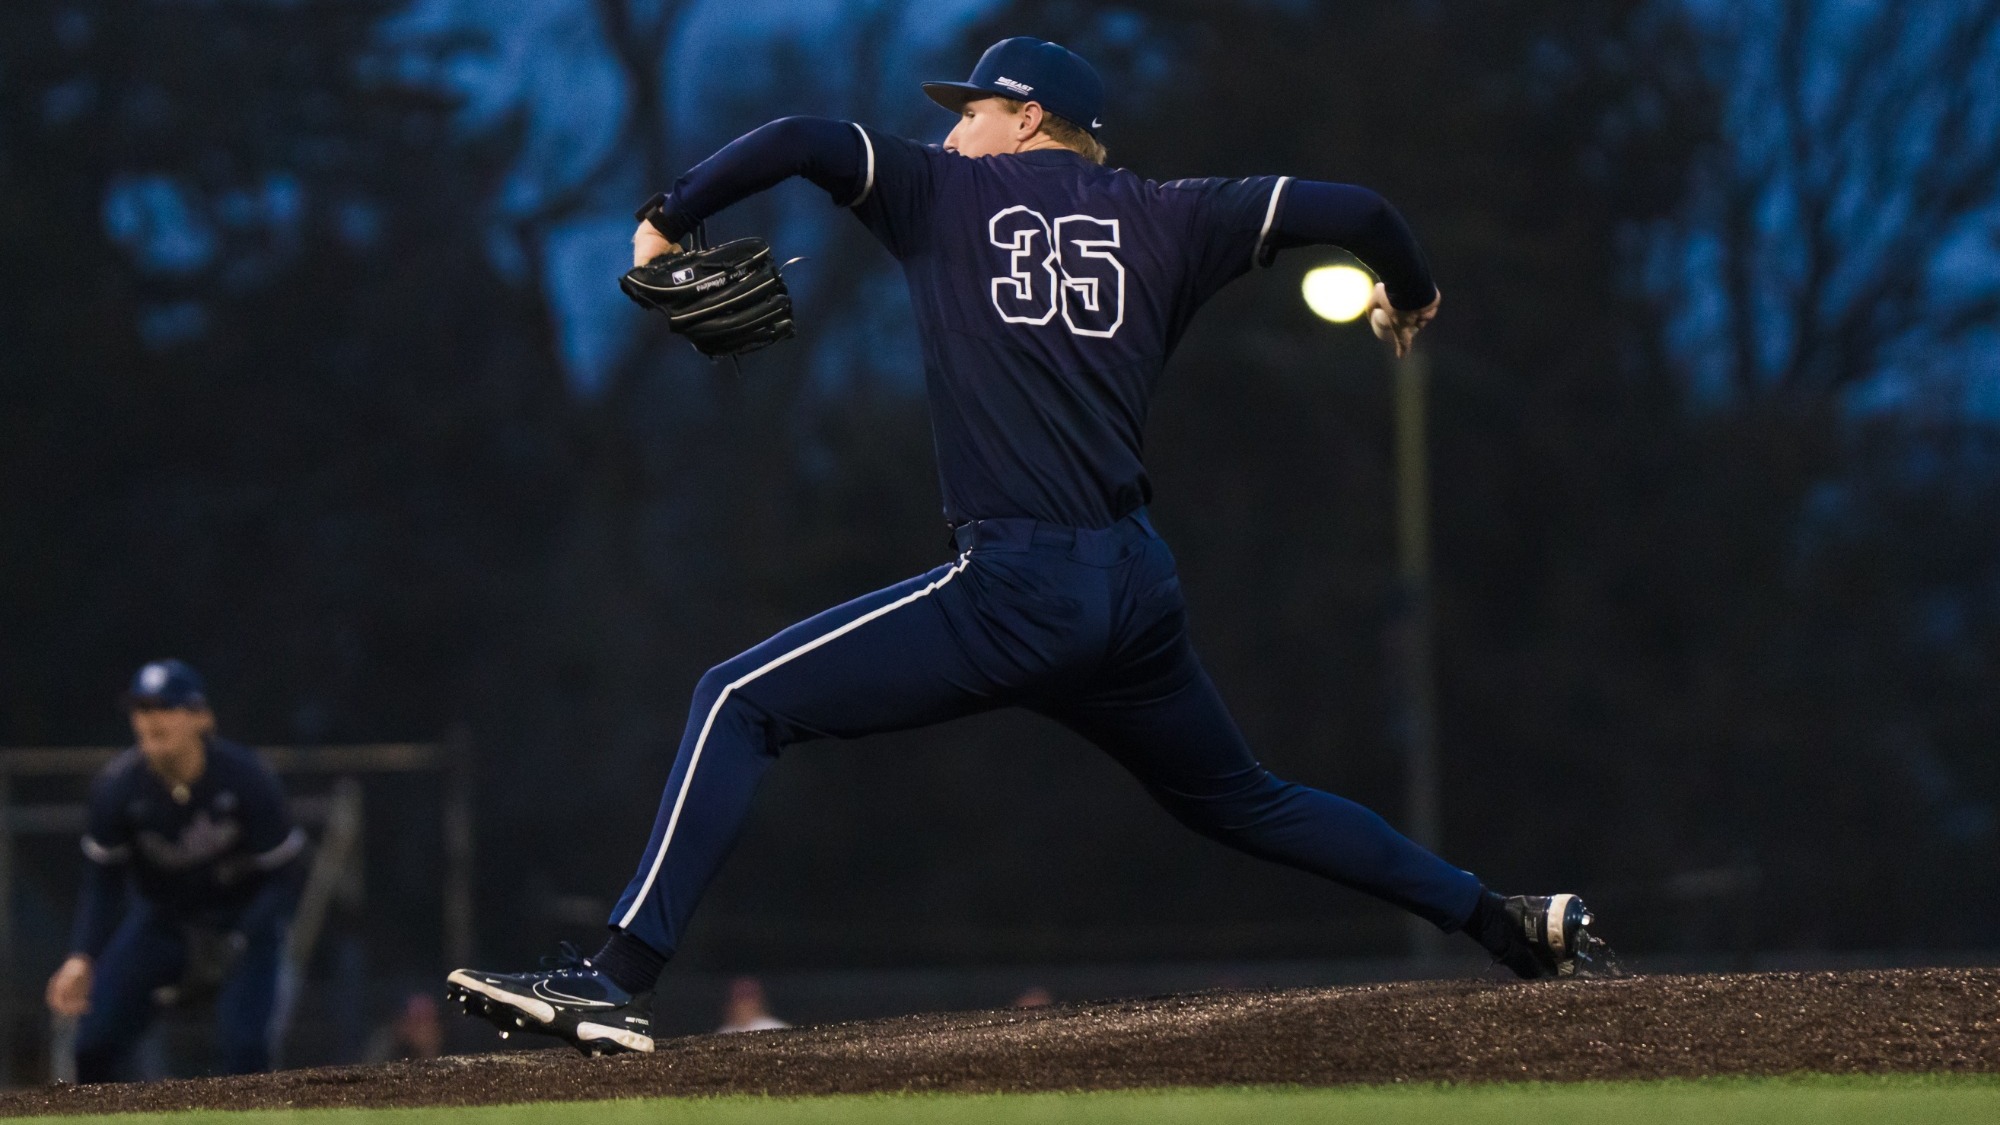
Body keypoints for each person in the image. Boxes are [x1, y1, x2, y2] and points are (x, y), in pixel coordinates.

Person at [447, 36, 1605, 1056]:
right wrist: (1408, 294)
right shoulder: (1176, 212)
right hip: (1132, 591)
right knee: (1244, 798)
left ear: (1027, 119)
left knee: (736, 699)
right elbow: (1355, 213)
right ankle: (1501, 921)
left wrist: (666, 216)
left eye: (968, 110)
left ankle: (611, 983)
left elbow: (802, 136)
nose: (946, 131)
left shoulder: (939, 198)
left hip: (1016, 587)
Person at [45, 660, 305, 1082]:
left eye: (165, 707)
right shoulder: (118, 788)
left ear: (201, 716)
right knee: (93, 1045)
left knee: (246, 1051)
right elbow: (102, 883)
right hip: (163, 924)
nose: (150, 719)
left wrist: (243, 936)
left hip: (241, 925)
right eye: (141, 709)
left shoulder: (246, 778)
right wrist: (81, 956)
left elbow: (285, 876)